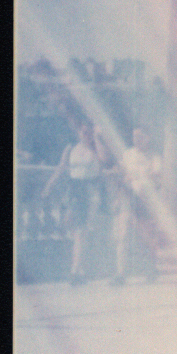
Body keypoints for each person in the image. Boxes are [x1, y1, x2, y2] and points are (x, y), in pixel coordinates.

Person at [42, 118, 112, 283]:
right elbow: (61, 168)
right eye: (83, 132)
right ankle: (80, 270)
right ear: (79, 132)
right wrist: (49, 185)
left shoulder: (96, 148)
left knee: (81, 231)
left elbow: (105, 161)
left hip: (89, 190)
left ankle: (75, 271)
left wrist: (97, 138)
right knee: (71, 227)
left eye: (89, 132)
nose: (86, 135)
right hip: (73, 190)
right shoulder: (71, 148)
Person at [112, 127, 162, 282]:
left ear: (147, 138)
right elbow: (122, 176)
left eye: (140, 136)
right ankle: (120, 273)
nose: (137, 140)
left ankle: (151, 269)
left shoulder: (154, 157)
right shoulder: (127, 154)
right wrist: (118, 197)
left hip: (145, 200)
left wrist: (136, 176)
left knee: (146, 235)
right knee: (123, 234)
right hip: (128, 196)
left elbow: (156, 175)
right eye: (135, 136)